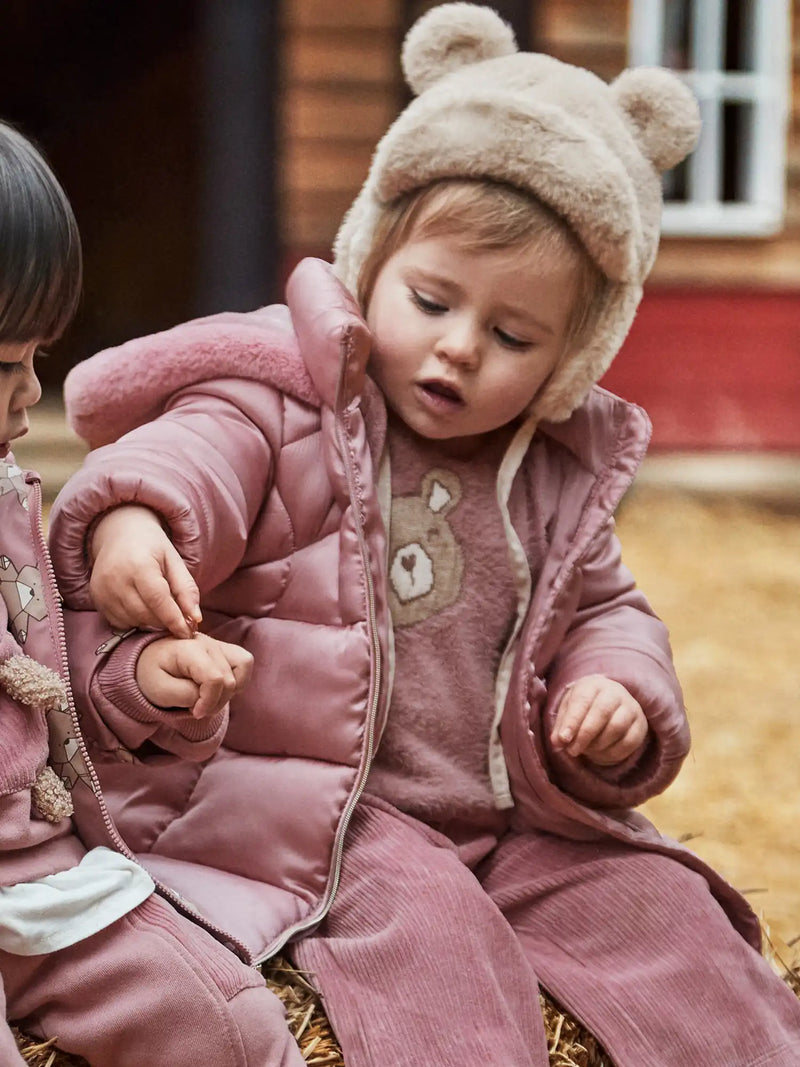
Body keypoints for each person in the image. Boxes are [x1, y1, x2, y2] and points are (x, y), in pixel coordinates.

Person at [49, 5, 800, 1066]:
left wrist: (619, 691)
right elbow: (195, 454)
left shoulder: (546, 469)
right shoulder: (289, 393)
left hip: (514, 813)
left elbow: (607, 609)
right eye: (430, 298)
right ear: (368, 258)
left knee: (667, 921)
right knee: (435, 960)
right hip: (332, 814)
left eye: (510, 335)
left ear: (569, 355)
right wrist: (134, 517)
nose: (456, 348)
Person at [0, 121, 308, 1067]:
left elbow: (41, 680)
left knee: (223, 1021)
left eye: (36, 358)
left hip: (33, 869)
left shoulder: (6, 491)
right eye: (5, 365)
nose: (30, 395)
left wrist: (145, 680)